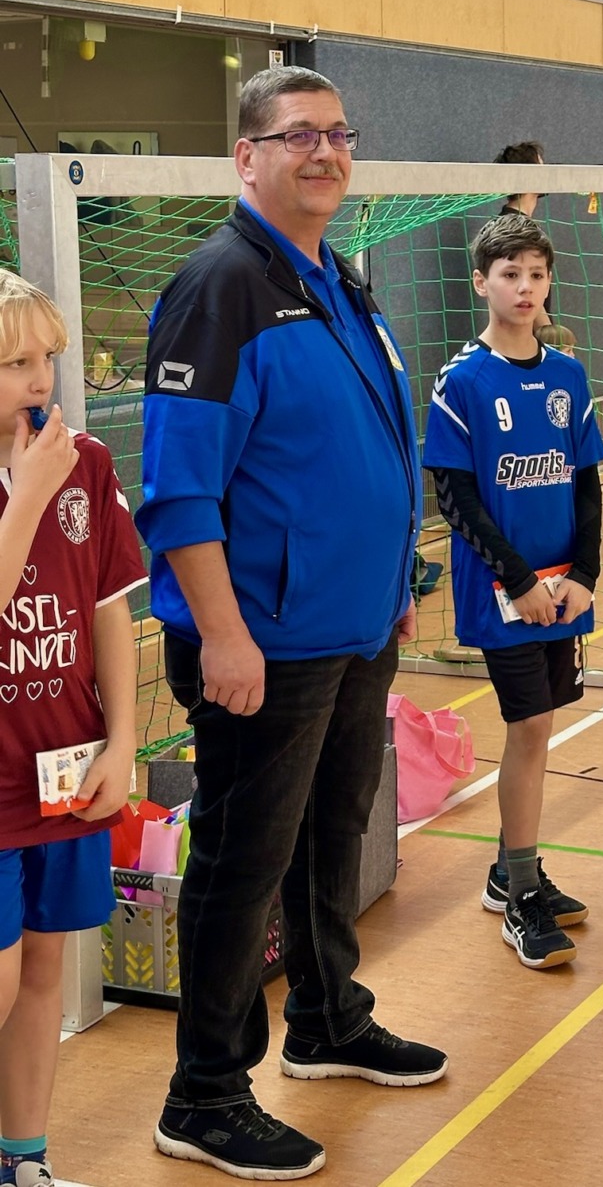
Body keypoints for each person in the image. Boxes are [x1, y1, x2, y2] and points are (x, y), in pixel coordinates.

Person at [137, 66, 447, 1181]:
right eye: (297, 135)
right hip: (262, 637)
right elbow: (177, 489)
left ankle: (326, 1017)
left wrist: (394, 577)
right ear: (247, 157)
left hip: (353, 624)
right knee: (241, 857)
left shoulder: (332, 276)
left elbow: (366, 442)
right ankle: (204, 1092)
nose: (324, 152)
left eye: (337, 133)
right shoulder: (220, 285)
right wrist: (222, 635)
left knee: (332, 836)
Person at [423, 215, 603, 968]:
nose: (524, 287)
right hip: (506, 594)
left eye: (535, 274)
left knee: (540, 727)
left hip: (562, 593)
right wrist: (520, 579)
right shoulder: (462, 382)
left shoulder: (567, 375)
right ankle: (519, 893)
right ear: (481, 283)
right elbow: (455, 497)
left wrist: (586, 577)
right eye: (509, 274)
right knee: (529, 727)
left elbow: (590, 484)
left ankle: (511, 871)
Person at [0, 270, 145, 1187]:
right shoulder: (46, 473)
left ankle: (24, 1160)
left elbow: (108, 615)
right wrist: (26, 494)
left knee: (43, 979)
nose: (39, 377)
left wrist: (125, 739)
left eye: (46, 357)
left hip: (66, 770)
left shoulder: (84, 461)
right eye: (15, 362)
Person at [494, 141, 552, 331]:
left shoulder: (511, 222)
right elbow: (525, 288)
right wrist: (551, 337)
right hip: (525, 342)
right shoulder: (515, 228)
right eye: (541, 166)